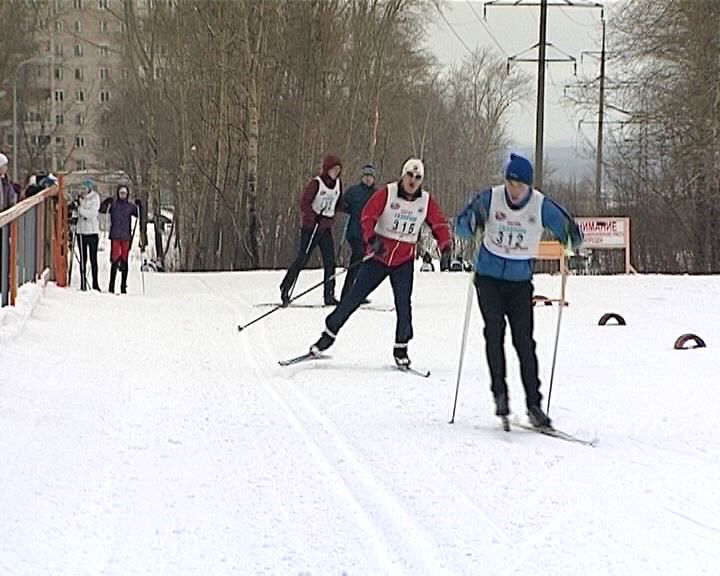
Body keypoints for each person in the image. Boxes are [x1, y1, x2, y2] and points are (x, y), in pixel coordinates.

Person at [454, 153, 582, 428]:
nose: (514, 190)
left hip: (519, 282)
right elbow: (461, 226)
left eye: (519, 185)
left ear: (529, 186)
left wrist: (570, 239)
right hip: (488, 279)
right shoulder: (491, 198)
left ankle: (534, 405)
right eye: (510, 183)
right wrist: (471, 223)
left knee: (524, 342)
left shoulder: (540, 205)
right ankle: (500, 394)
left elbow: (569, 230)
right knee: (494, 333)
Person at [309, 157, 452, 367]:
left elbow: (438, 223)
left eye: (418, 177)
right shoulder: (388, 192)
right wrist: (372, 239)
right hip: (379, 257)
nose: (413, 181)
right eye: (410, 176)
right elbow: (367, 215)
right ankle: (327, 336)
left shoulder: (425, 201)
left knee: (404, 305)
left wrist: (446, 245)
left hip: (403, 260)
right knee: (353, 297)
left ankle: (401, 348)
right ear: (403, 175)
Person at [279, 154, 343, 306]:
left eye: (338, 170)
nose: (336, 173)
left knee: (330, 262)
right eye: (333, 169)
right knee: (303, 258)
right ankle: (286, 287)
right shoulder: (316, 183)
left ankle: (329, 294)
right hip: (311, 228)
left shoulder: (338, 184)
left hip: (325, 229)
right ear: (327, 169)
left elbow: (338, 203)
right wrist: (313, 217)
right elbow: (304, 203)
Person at [339, 164, 377, 302]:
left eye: (370, 177)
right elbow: (342, 205)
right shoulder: (353, 191)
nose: (368, 179)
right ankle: (347, 293)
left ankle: (357, 293)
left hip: (369, 235)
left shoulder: (377, 194)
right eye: (366, 176)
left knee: (364, 265)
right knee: (358, 257)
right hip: (354, 232)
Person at [100, 184, 142, 294]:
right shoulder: (113, 205)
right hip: (115, 235)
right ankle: (111, 285)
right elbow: (102, 210)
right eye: (121, 193)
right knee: (115, 259)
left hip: (126, 236)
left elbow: (139, 214)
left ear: (127, 194)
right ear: (118, 194)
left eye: (124, 193)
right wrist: (105, 202)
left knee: (124, 260)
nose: (122, 195)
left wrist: (140, 205)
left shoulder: (130, 206)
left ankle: (123, 285)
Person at [76, 178, 101, 291]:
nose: (82, 191)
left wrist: (80, 210)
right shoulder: (79, 199)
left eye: (85, 188)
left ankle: (95, 283)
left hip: (92, 232)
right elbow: (75, 213)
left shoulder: (95, 198)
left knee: (93, 259)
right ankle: (82, 283)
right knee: (83, 259)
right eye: (81, 188)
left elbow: (92, 214)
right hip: (81, 232)